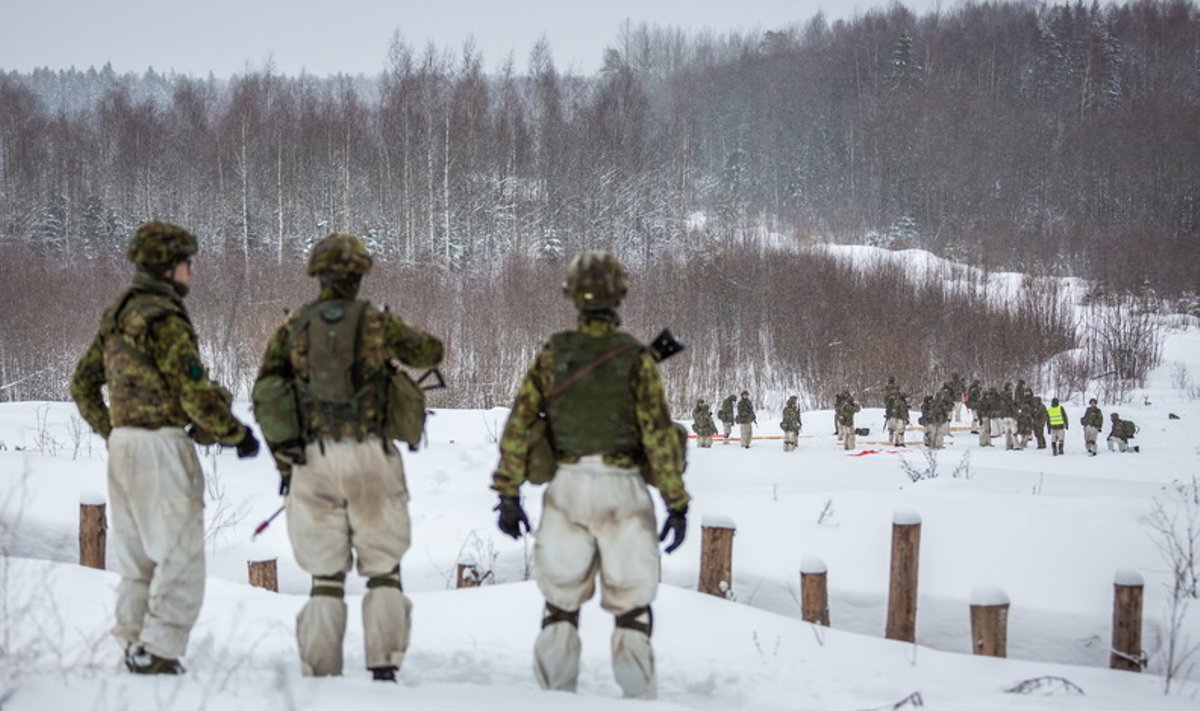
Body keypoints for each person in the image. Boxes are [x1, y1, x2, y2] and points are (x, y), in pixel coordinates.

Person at [490, 250, 690, 700]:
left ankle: (554, 699)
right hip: (623, 492)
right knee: (632, 607)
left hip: (567, 487)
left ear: (571, 296)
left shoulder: (553, 354)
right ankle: (639, 700)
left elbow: (519, 426)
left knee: (560, 604)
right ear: (619, 294)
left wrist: (508, 493)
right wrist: (677, 502)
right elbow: (658, 436)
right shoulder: (637, 359)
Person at [69, 221, 261, 675]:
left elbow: (81, 385)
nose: (192, 272)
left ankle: (135, 642)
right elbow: (192, 391)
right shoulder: (165, 318)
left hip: (123, 451)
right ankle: (158, 650)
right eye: (187, 263)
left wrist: (113, 432)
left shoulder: (117, 314)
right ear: (167, 266)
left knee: (137, 561)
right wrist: (236, 433)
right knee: (180, 555)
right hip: (162, 450)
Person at [252, 232, 444, 681]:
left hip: (313, 460)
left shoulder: (293, 326)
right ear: (360, 275)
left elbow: (267, 392)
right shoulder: (377, 323)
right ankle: (383, 671)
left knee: (325, 576)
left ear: (317, 275)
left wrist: (287, 462)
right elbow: (431, 352)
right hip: (371, 458)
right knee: (383, 570)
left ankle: (320, 675)